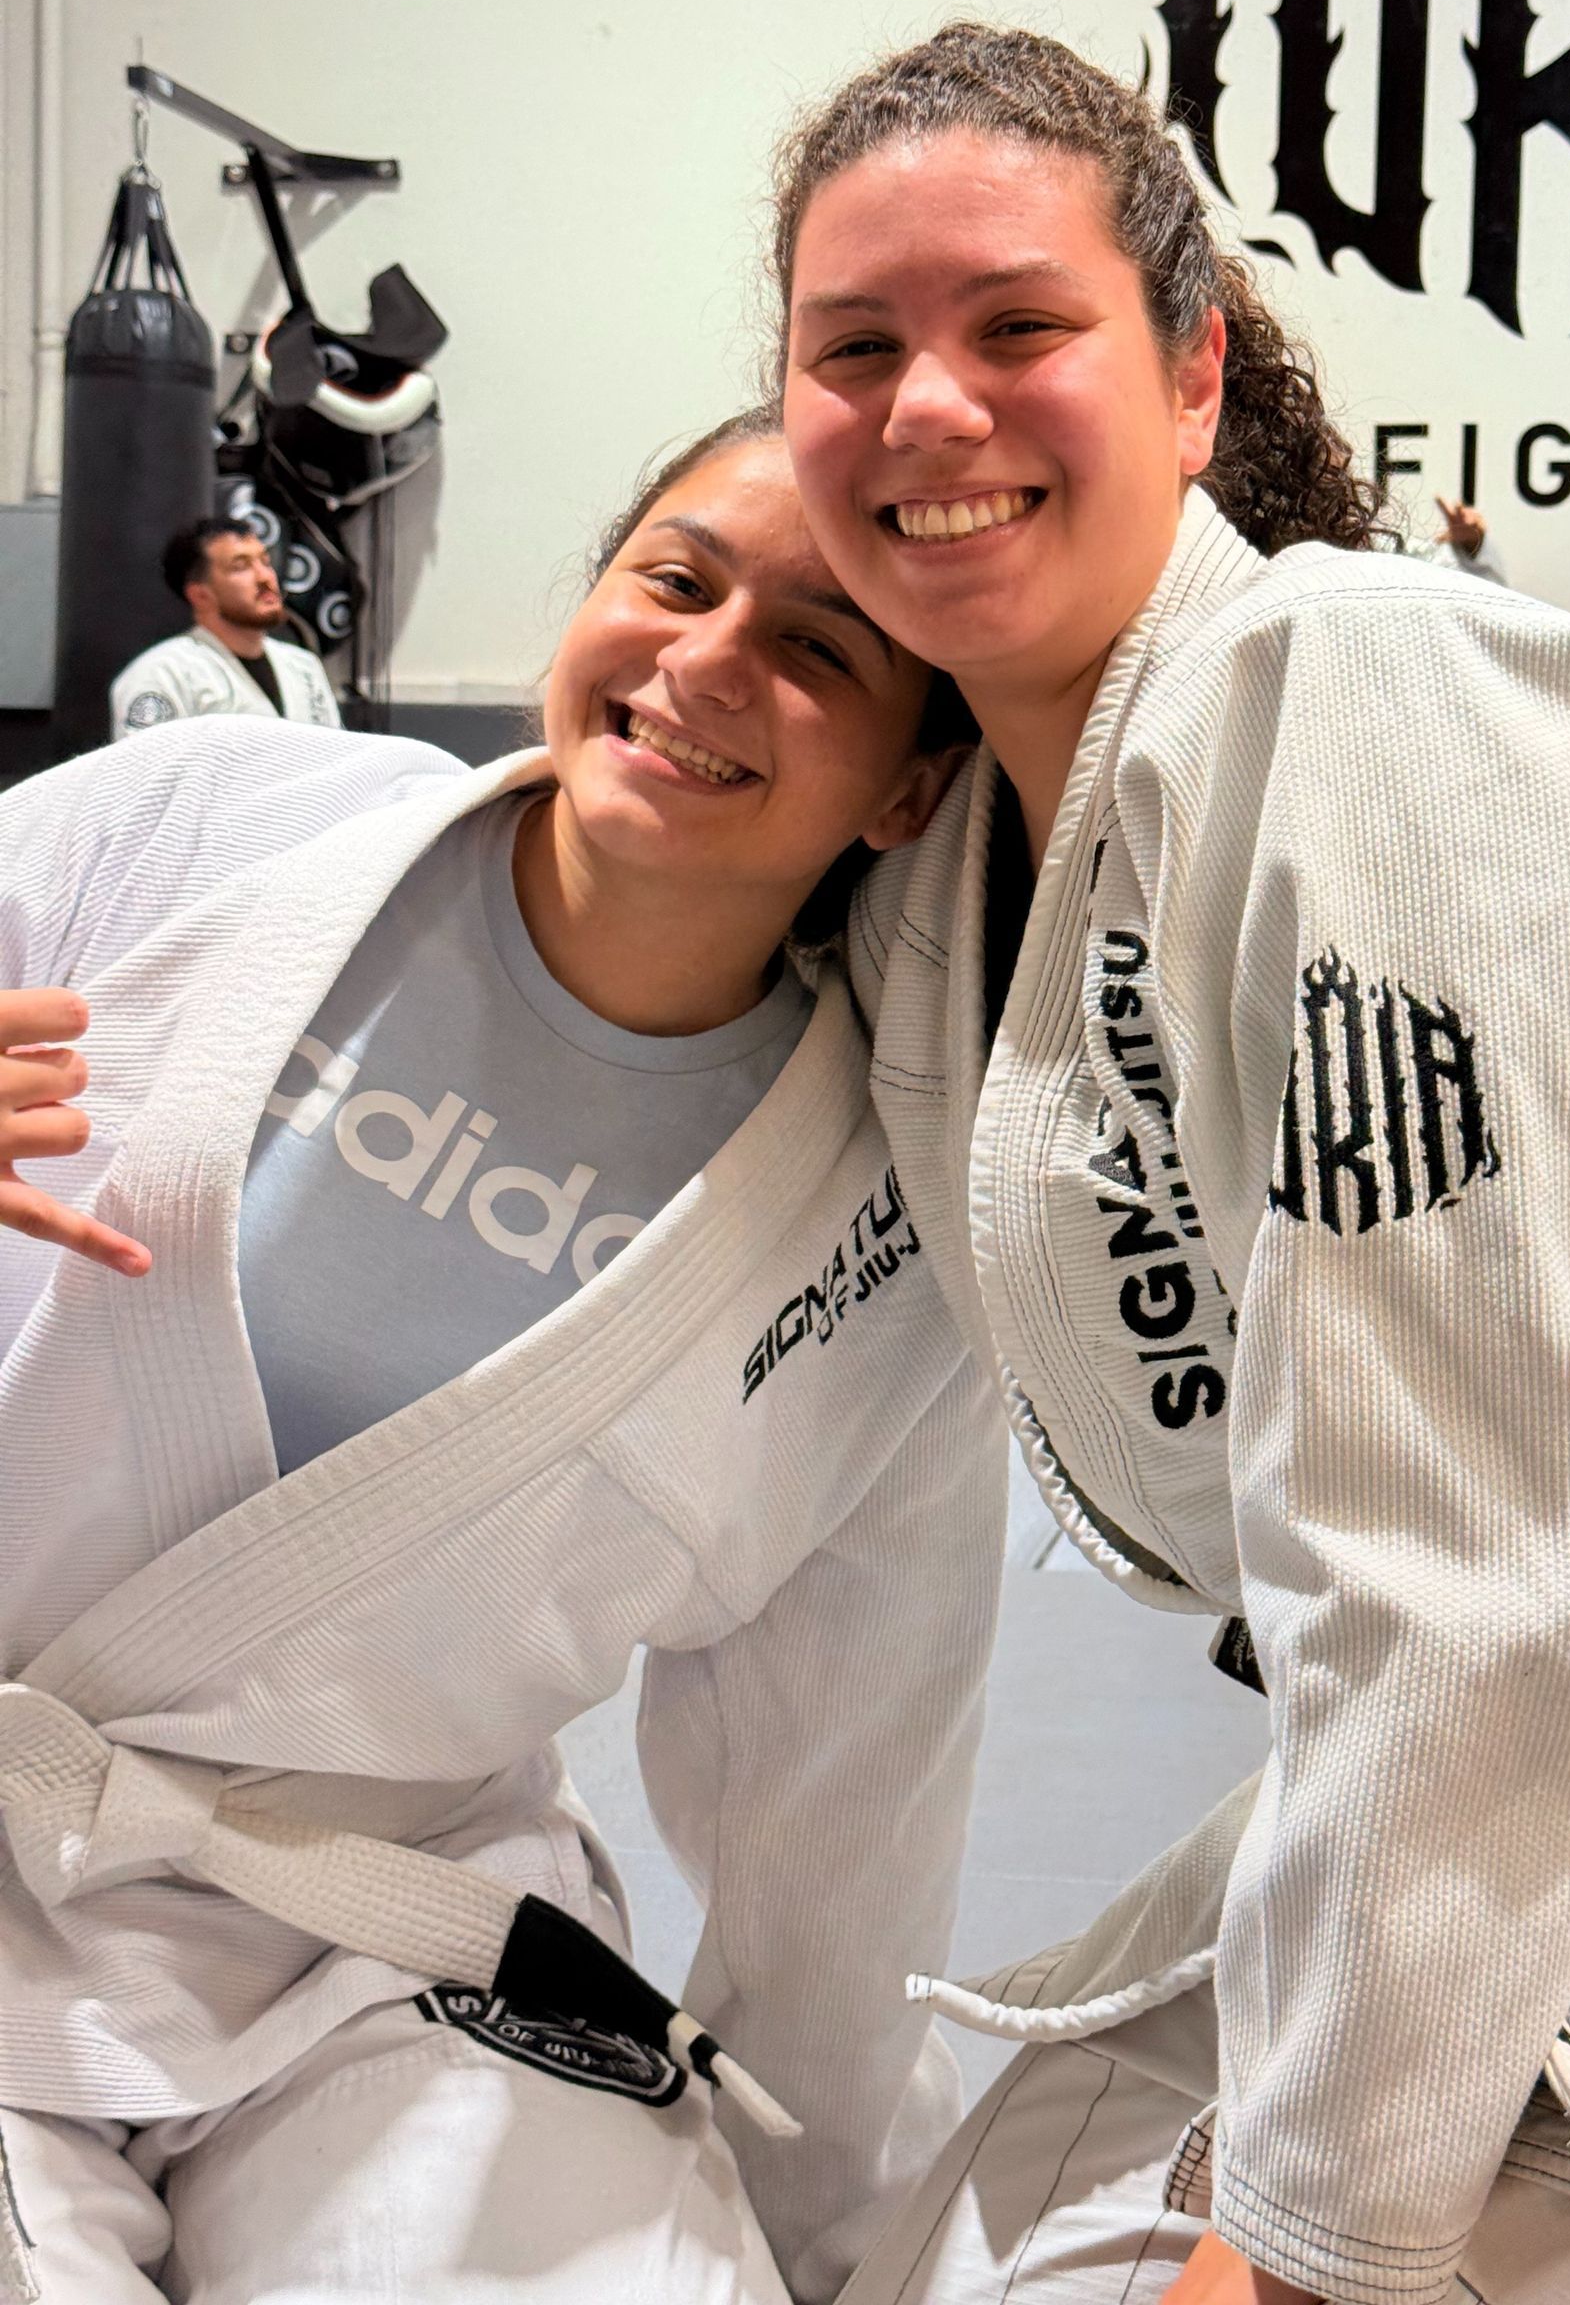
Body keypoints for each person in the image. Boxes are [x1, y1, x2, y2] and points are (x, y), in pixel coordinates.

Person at [770, 24, 1570, 2304]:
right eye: (853, 347)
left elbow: (1465, 1540)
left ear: (1191, 371)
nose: (927, 404)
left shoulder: (1368, 690)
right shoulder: (969, 881)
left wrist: (1310, 2239)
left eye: (1019, 327)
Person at [0, 409, 1004, 2304]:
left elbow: (844, 1808)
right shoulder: (198, 826)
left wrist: (850, 2250)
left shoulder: (867, 1257)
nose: (705, 663)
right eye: (675, 581)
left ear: (910, 787)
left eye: (819, 650)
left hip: (379, 1935)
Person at [108, 516, 340, 737]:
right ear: (200, 595)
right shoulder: (161, 674)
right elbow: (148, 771)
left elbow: (340, 760)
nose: (265, 577)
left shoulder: (304, 667)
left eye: (265, 561)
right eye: (241, 566)